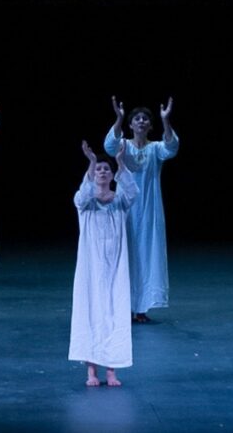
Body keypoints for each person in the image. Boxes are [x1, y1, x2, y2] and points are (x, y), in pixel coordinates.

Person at [102, 96, 179, 322]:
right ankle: (124, 306)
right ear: (131, 124)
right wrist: (118, 118)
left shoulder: (155, 148)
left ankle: (142, 307)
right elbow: (109, 146)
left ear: (150, 126)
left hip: (149, 208)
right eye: (137, 118)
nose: (142, 121)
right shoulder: (124, 145)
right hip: (126, 207)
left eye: (145, 119)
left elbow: (171, 148)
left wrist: (166, 120)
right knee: (125, 254)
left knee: (146, 254)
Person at [69, 140, 139, 386]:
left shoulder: (120, 201)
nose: (102, 171)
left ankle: (111, 371)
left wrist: (120, 162)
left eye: (105, 169)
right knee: (91, 312)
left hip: (115, 267)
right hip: (92, 267)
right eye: (98, 168)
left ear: (111, 175)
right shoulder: (86, 202)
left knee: (115, 312)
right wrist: (90, 162)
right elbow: (81, 196)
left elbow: (133, 192)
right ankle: (91, 372)